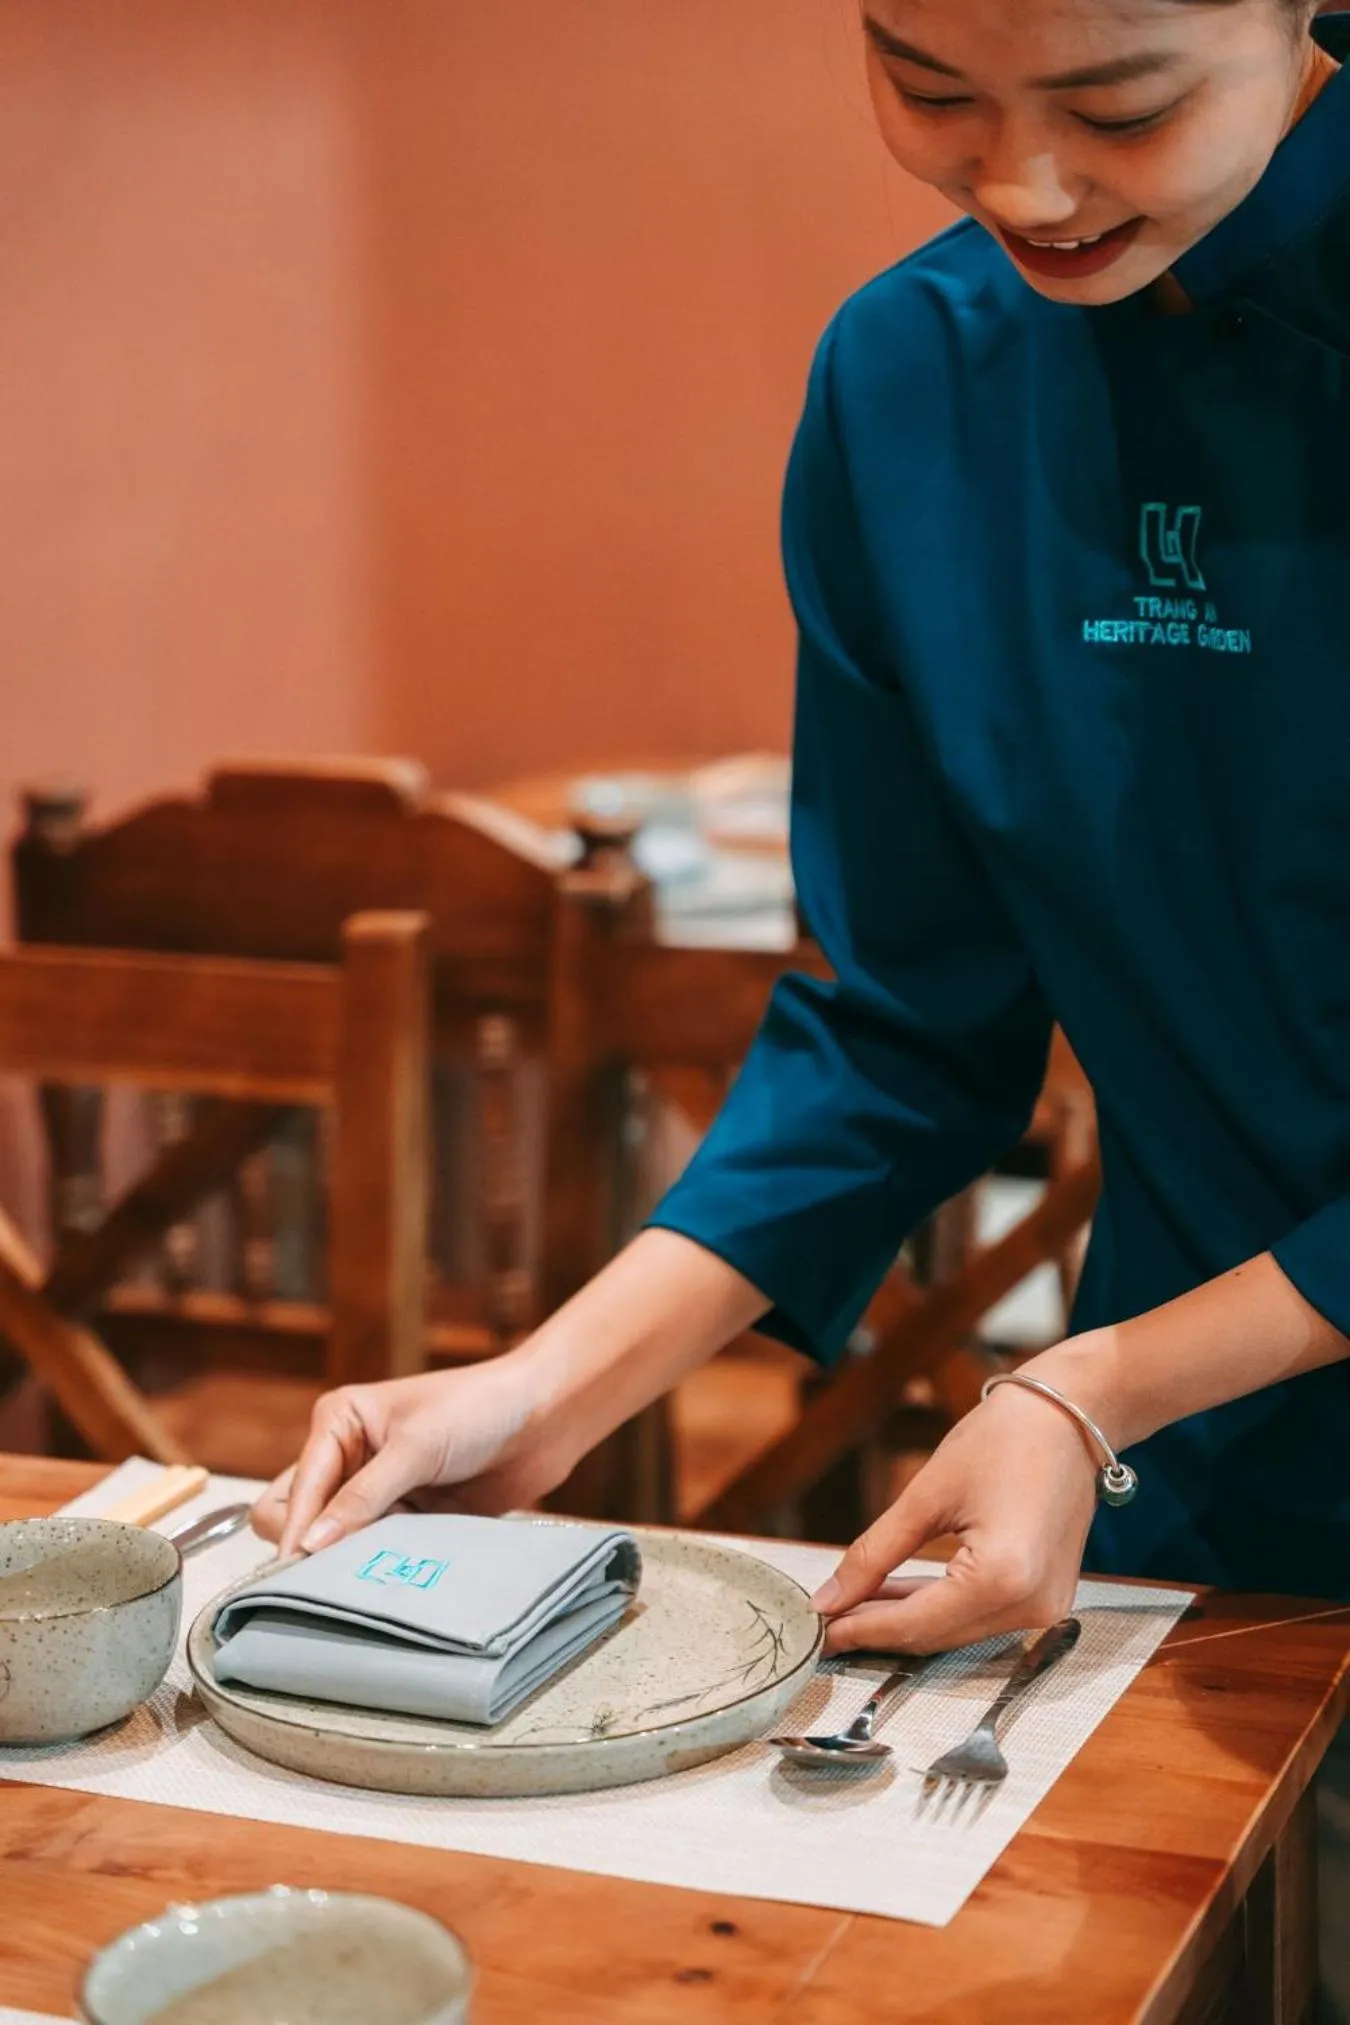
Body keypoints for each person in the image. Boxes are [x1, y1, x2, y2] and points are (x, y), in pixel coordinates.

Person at [255, 0, 1350, 2007]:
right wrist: (544, 1390)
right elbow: (906, 1020)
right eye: (928, 86)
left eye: (1121, 104)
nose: (1020, 184)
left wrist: (1083, 1386)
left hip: (1140, 1413)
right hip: (1222, 1519)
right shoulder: (913, 383)